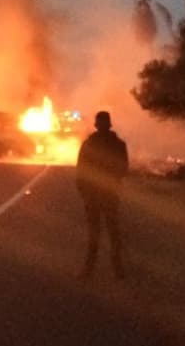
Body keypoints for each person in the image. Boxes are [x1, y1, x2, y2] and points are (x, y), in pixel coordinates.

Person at [75, 110, 128, 279]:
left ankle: (89, 269)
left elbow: (81, 170)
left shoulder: (89, 144)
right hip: (108, 194)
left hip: (94, 194)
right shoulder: (119, 144)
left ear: (96, 125)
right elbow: (123, 169)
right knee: (113, 232)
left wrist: (84, 191)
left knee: (95, 233)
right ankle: (117, 269)